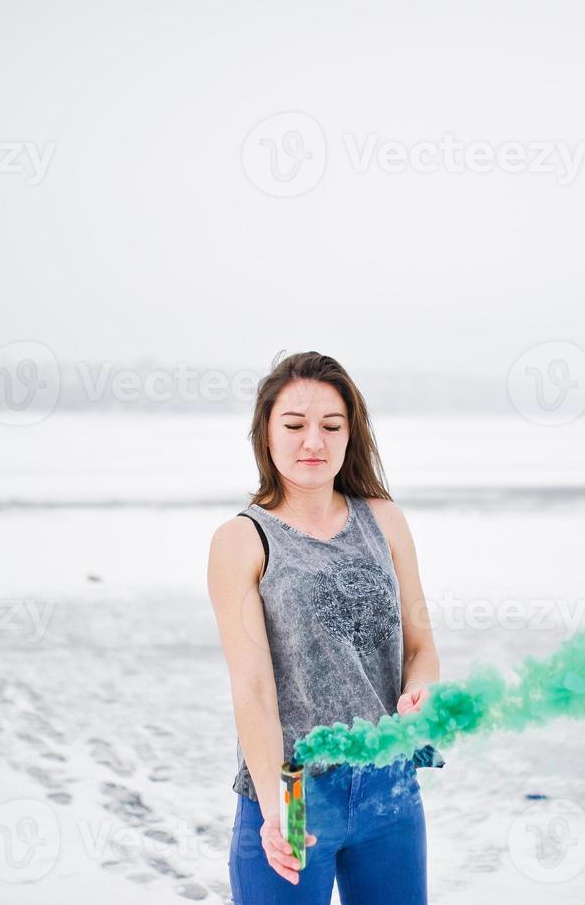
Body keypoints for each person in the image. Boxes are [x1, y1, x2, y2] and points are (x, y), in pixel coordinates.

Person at [206, 351, 445, 904]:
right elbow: (254, 690)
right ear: (265, 435)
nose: (312, 441)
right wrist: (273, 811)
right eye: (294, 426)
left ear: (349, 435)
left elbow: (422, 647)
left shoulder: (383, 518)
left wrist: (419, 689)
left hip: (390, 784)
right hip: (292, 791)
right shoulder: (242, 540)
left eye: (330, 427)